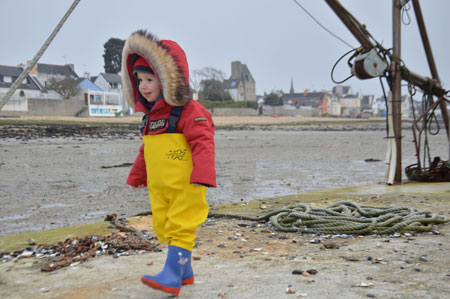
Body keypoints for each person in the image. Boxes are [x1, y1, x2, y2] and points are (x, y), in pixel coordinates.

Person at [121, 29, 216, 296]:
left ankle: (172, 275)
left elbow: (203, 142)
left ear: (168, 80)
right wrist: (138, 176)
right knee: (163, 225)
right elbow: (146, 150)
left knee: (181, 226)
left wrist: (204, 174)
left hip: (188, 184)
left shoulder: (190, 111)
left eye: (150, 79)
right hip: (161, 186)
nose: (143, 86)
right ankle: (186, 273)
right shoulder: (151, 117)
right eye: (139, 80)